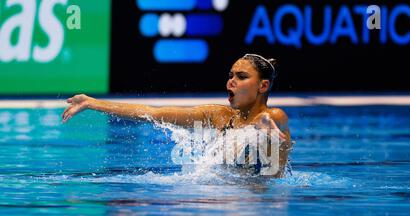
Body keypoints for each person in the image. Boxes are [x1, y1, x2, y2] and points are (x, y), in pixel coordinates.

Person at [62, 54, 291, 177]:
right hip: (229, 199)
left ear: (263, 86)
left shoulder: (274, 117)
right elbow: (154, 113)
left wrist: (264, 125)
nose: (231, 80)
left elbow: (276, 119)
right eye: (231, 75)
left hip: (265, 205)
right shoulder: (219, 116)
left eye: (241, 77)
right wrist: (93, 103)